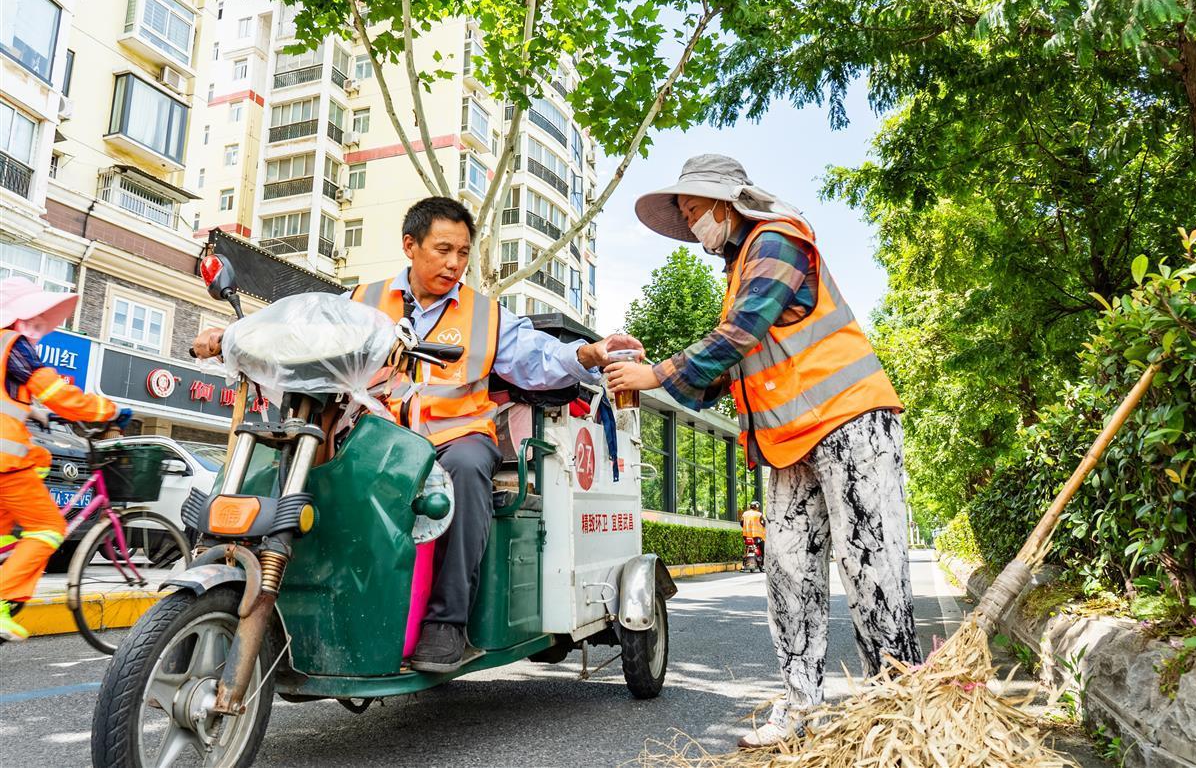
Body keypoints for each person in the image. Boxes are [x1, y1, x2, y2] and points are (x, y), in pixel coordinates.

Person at [193, 197, 640, 671]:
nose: (454, 263)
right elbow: (299, 331)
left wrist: (588, 355)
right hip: (377, 437)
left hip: (456, 437)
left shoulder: (486, 315)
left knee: (468, 470)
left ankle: (448, 623)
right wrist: (231, 337)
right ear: (411, 245)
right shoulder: (361, 302)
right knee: (292, 466)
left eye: (463, 253)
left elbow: (536, 358)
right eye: (443, 249)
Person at [606, 155, 922, 748]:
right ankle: (801, 707)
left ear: (726, 203)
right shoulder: (739, 267)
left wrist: (654, 375)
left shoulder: (778, 237)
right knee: (786, 572)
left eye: (695, 211)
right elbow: (735, 364)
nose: (692, 224)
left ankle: (900, 707)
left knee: (871, 568)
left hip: (850, 421)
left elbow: (743, 331)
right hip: (787, 442)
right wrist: (663, 375)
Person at [1, 277, 132, 641]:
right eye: (38, 318)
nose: (41, 328)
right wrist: (109, 411)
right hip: (5, 464)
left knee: (5, 528)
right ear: (22, 317)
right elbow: (60, 394)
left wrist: (37, 414)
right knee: (48, 528)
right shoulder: (14, 346)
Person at [741, 500, 765, 568]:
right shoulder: (759, 515)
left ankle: (743, 565)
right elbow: (764, 523)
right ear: (757, 507)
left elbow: (741, 523)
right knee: (764, 550)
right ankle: (763, 565)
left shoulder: (745, 514)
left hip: (746, 537)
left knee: (747, 549)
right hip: (757, 537)